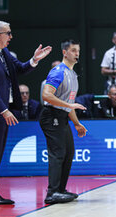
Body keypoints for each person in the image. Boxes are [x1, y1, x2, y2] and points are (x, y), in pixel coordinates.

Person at [0, 20, 52, 205]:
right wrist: (4, 110)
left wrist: (35, 59)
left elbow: (20, 69)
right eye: (8, 33)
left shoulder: (3, 52)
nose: (11, 36)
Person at [40, 39, 87, 204]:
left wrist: (76, 123)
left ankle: (60, 190)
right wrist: (68, 105)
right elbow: (47, 95)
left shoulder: (73, 74)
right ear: (64, 53)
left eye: (78, 50)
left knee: (68, 154)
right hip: (51, 115)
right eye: (73, 50)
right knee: (57, 154)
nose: (77, 54)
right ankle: (52, 193)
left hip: (62, 117)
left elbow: (69, 103)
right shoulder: (58, 71)